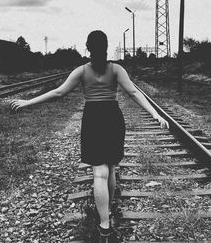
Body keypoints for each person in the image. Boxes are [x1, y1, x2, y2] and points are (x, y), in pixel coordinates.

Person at [10, 30, 168, 242]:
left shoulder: (82, 71)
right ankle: (108, 213)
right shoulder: (116, 69)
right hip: (113, 117)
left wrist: (28, 102)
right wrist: (155, 114)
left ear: (88, 47)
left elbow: (58, 92)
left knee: (99, 173)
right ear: (106, 47)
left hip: (93, 119)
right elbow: (133, 92)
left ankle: (104, 225)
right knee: (110, 168)